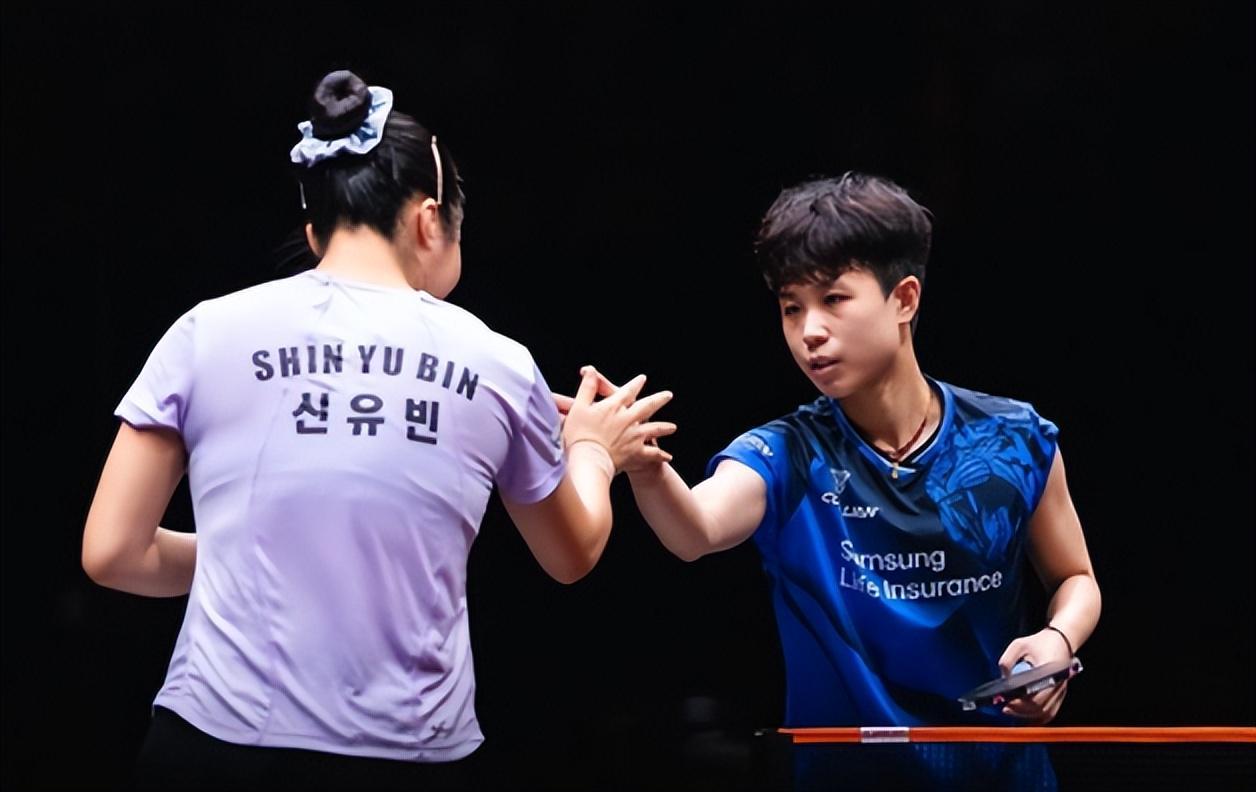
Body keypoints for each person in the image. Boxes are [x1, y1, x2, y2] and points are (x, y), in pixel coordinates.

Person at [81, 69, 675, 791]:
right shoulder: (495, 362)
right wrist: (591, 450)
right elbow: (570, 553)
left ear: (314, 233)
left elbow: (112, 552)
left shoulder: (204, 332)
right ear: (430, 221)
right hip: (407, 760)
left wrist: (264, 550)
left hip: (209, 749)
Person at [586, 172, 1102, 790]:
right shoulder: (787, 453)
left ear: (904, 299)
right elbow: (694, 530)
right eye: (791, 307)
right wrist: (647, 467)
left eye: (833, 299)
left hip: (1000, 774)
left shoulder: (1013, 438)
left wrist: (1058, 640)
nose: (809, 331)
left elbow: (1075, 578)